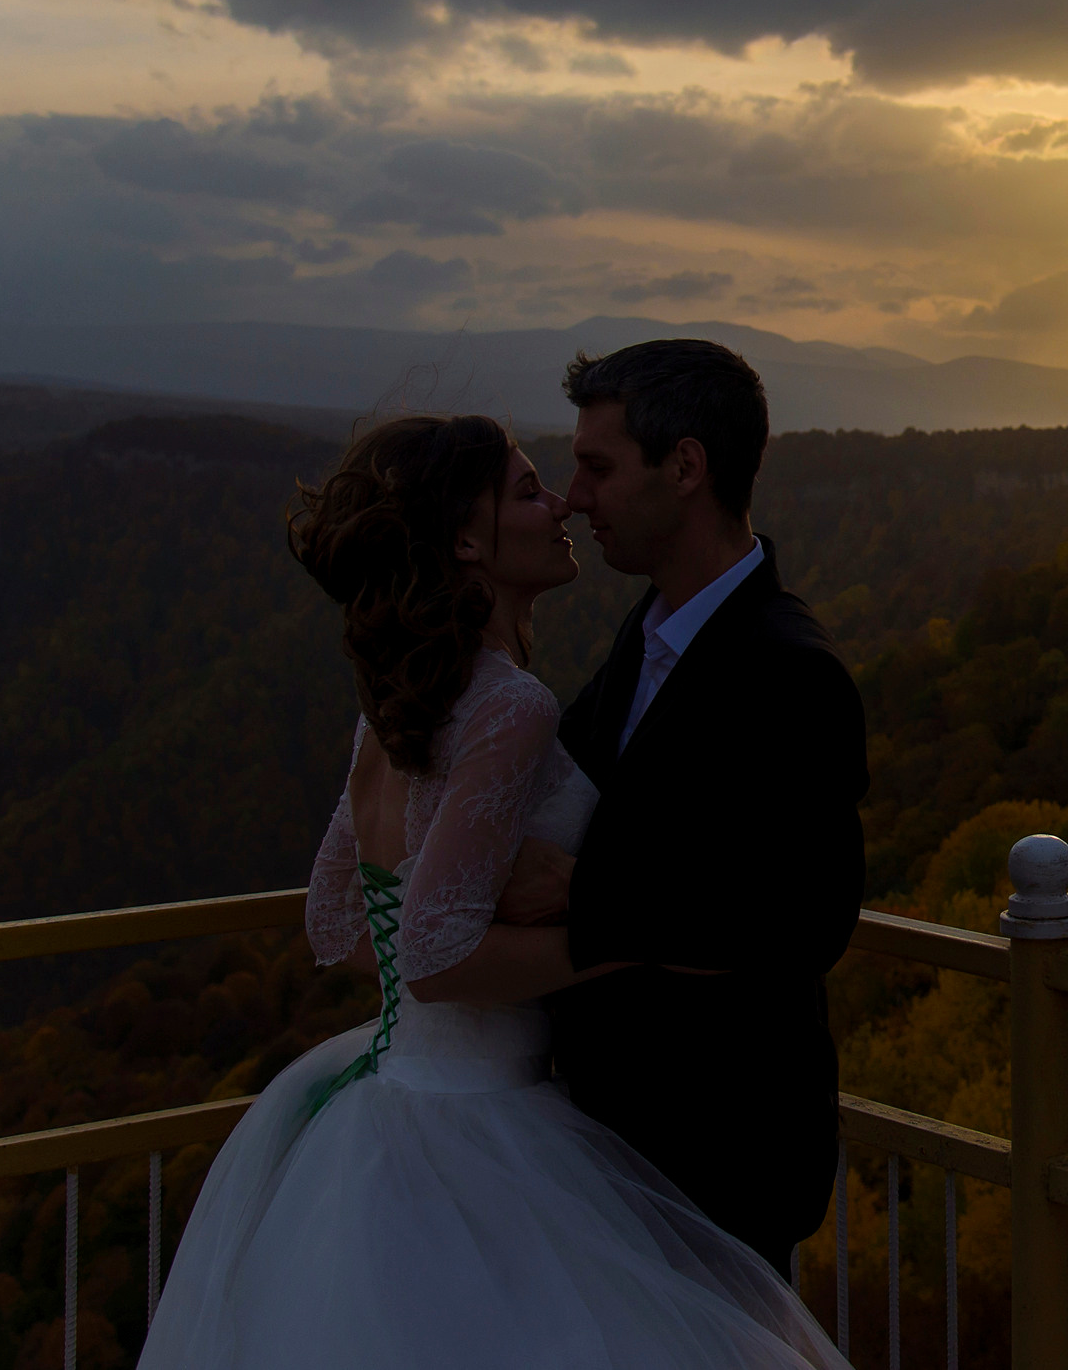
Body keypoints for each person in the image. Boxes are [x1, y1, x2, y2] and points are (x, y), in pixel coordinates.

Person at [139, 412, 843, 1370]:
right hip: (491, 1129)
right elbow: (434, 954)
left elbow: (340, 922)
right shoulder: (510, 705)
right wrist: (626, 937)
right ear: (466, 541)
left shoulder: (396, 708)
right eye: (526, 490)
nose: (559, 502)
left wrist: (445, 937)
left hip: (388, 1108)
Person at [497, 339, 868, 1279]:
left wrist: (583, 895)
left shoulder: (792, 673)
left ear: (687, 467)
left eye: (598, 467)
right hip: (613, 1149)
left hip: (720, 1161)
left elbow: (803, 916)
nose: (577, 497)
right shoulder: (649, 629)